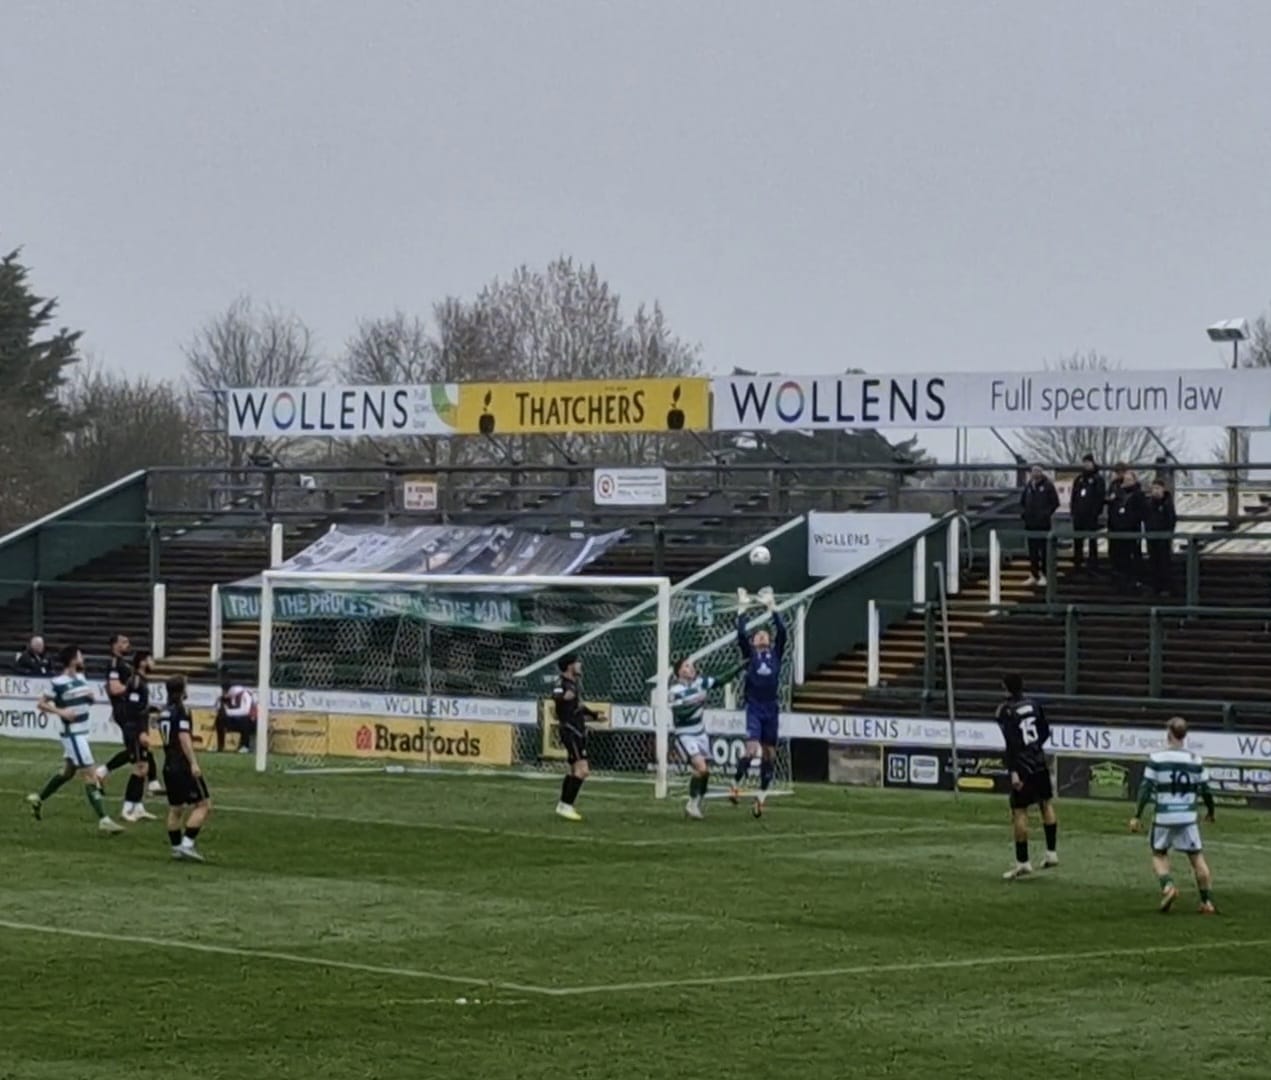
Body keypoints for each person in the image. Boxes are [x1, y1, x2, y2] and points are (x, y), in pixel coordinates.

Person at [26, 645, 124, 834]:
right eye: (80, 655)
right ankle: (104, 820)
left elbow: (86, 701)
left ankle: (39, 799)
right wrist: (61, 711)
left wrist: (90, 698)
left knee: (67, 773)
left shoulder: (81, 678)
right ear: (72, 659)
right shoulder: (57, 682)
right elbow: (41, 704)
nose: (82, 658)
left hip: (82, 731)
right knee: (90, 775)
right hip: (73, 734)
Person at [1129, 716, 1216, 914]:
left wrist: (1137, 815)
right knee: (1197, 858)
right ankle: (1207, 902)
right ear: (1185, 735)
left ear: (1168, 734)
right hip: (1188, 818)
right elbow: (1206, 790)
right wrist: (1211, 812)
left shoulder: (1157, 759)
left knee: (1159, 854)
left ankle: (1168, 886)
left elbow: (1146, 788)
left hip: (1164, 816)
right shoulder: (1195, 760)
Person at [729, 589, 787, 817]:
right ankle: (735, 783)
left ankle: (760, 797)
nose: (762, 637)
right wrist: (742, 609)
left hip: (771, 708)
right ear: (753, 642)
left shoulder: (776, 655)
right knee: (752, 749)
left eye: (765, 634)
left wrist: (772, 607)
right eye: (758, 635)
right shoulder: (750, 655)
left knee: (770, 754)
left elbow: (782, 631)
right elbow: (740, 634)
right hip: (754, 707)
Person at [997, 673, 1058, 880]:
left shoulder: (1005, 710)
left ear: (1005, 688)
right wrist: (1035, 749)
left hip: (1022, 766)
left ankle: (1023, 863)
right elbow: (1045, 731)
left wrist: (1014, 770)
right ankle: (1051, 853)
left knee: (1020, 811)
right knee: (1046, 804)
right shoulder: (1034, 704)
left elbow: (1011, 743)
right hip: (1039, 761)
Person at [670, 656, 741, 819]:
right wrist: (698, 703)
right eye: (686, 666)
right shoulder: (675, 691)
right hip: (685, 734)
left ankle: (694, 803)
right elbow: (680, 713)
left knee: (704, 772)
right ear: (679, 672)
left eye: (691, 665)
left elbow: (721, 680)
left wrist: (739, 667)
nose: (691, 668)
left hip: (701, 733)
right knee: (701, 768)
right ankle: (693, 804)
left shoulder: (701, 683)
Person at [100, 636, 163, 794]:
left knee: (138, 749)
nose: (127, 645)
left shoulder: (124, 664)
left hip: (128, 710)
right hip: (126, 711)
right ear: (114, 645)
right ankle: (148, 785)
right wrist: (133, 687)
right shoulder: (114, 663)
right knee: (138, 747)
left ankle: (152, 783)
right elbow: (114, 688)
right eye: (123, 642)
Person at [159, 674, 212, 862]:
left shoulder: (164, 711)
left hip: (168, 764)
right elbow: (183, 737)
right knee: (204, 805)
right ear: (182, 690)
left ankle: (175, 848)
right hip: (181, 765)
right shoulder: (181, 711)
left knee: (175, 809)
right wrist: (193, 762)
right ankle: (187, 844)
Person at [553, 654, 600, 821]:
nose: (580, 666)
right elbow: (556, 696)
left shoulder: (574, 684)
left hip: (578, 731)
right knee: (582, 771)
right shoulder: (561, 683)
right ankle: (566, 805)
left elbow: (578, 706)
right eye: (577, 663)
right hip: (570, 731)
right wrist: (565, 696)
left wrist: (594, 715)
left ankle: (563, 805)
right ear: (569, 666)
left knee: (575, 770)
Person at [1019, 465, 1060, 587]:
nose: (1035, 473)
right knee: (1033, 552)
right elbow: (1022, 502)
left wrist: (1045, 514)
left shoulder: (1048, 486)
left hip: (1043, 524)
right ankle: (1034, 574)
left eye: (1038, 471)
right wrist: (1025, 514)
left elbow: (1055, 503)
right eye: (1033, 471)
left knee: (1044, 551)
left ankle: (1045, 575)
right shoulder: (1028, 486)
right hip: (1030, 524)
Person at [1108, 468, 1146, 593]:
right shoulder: (1119, 494)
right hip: (1118, 530)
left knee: (1133, 556)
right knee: (1119, 557)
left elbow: (1140, 513)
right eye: (1125, 480)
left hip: (1132, 530)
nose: (1127, 482)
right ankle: (1121, 581)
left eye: (1129, 480)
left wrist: (1129, 521)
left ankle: (1134, 581)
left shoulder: (1138, 495)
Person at [1068, 454, 1106, 572]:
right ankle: (1077, 563)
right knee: (1078, 540)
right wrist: (1073, 510)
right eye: (1085, 462)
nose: (1086, 465)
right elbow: (1074, 496)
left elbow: (1100, 497)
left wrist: (1095, 511)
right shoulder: (1079, 479)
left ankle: (1093, 564)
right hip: (1079, 515)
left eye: (1088, 462)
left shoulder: (1098, 479)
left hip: (1091, 515)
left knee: (1092, 540)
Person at [1143, 479, 1177, 597]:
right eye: (1154, 488)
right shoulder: (1148, 503)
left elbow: (1171, 519)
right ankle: (1155, 587)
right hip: (1151, 537)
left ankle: (1166, 587)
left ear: (1163, 489)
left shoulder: (1167, 503)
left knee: (1164, 562)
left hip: (1163, 538)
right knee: (1153, 562)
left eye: (1158, 488)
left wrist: (1168, 534)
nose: (1156, 491)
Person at [215, 668, 256, 753]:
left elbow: (246, 711)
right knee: (219, 719)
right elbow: (219, 708)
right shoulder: (225, 698)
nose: (224, 693)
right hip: (234, 721)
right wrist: (221, 707)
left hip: (250, 722)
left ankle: (245, 745)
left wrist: (228, 712)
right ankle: (220, 746)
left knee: (245, 720)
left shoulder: (244, 694)